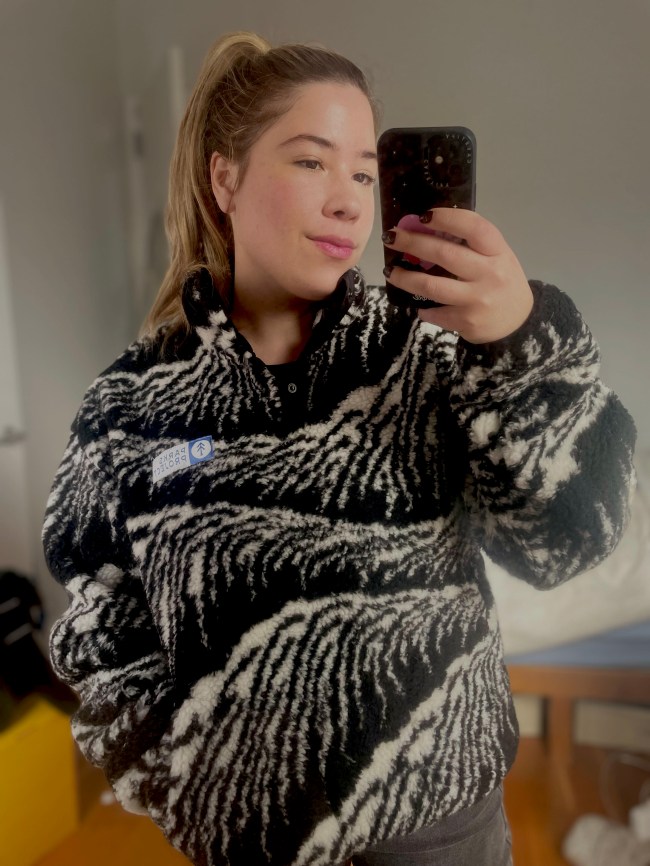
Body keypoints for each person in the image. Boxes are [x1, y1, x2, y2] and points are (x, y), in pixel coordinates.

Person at [41, 30, 636, 866]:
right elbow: (100, 624)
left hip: (443, 839)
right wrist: (182, 781)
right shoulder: (128, 407)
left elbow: (568, 541)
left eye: (363, 173)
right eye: (311, 161)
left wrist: (518, 345)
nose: (350, 202)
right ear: (225, 179)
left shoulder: (433, 354)